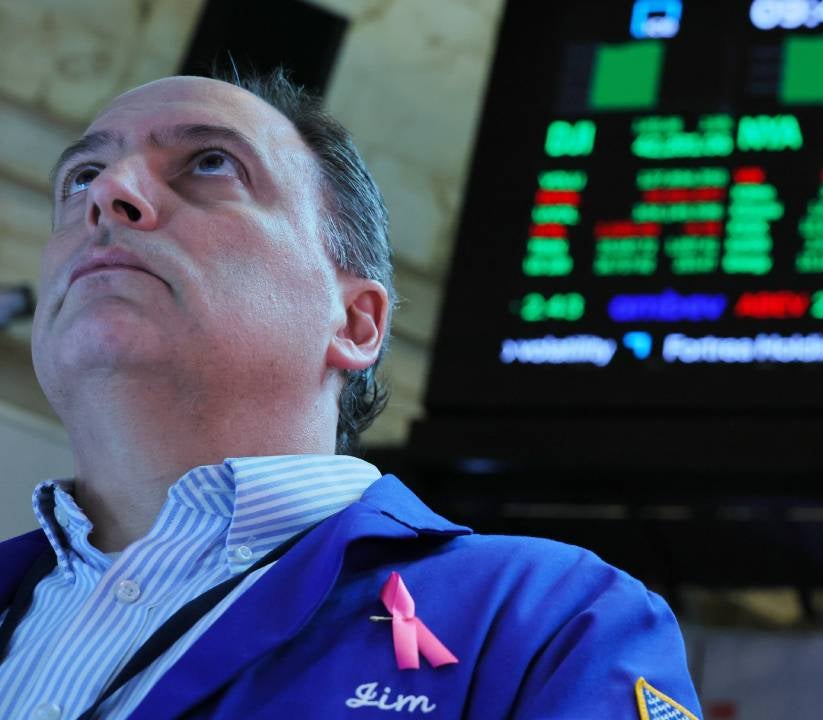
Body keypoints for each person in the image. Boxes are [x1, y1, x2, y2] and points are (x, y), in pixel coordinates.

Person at [0, 69, 702, 720]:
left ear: (355, 322)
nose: (105, 194)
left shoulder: (552, 620)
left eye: (212, 162)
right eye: (82, 174)